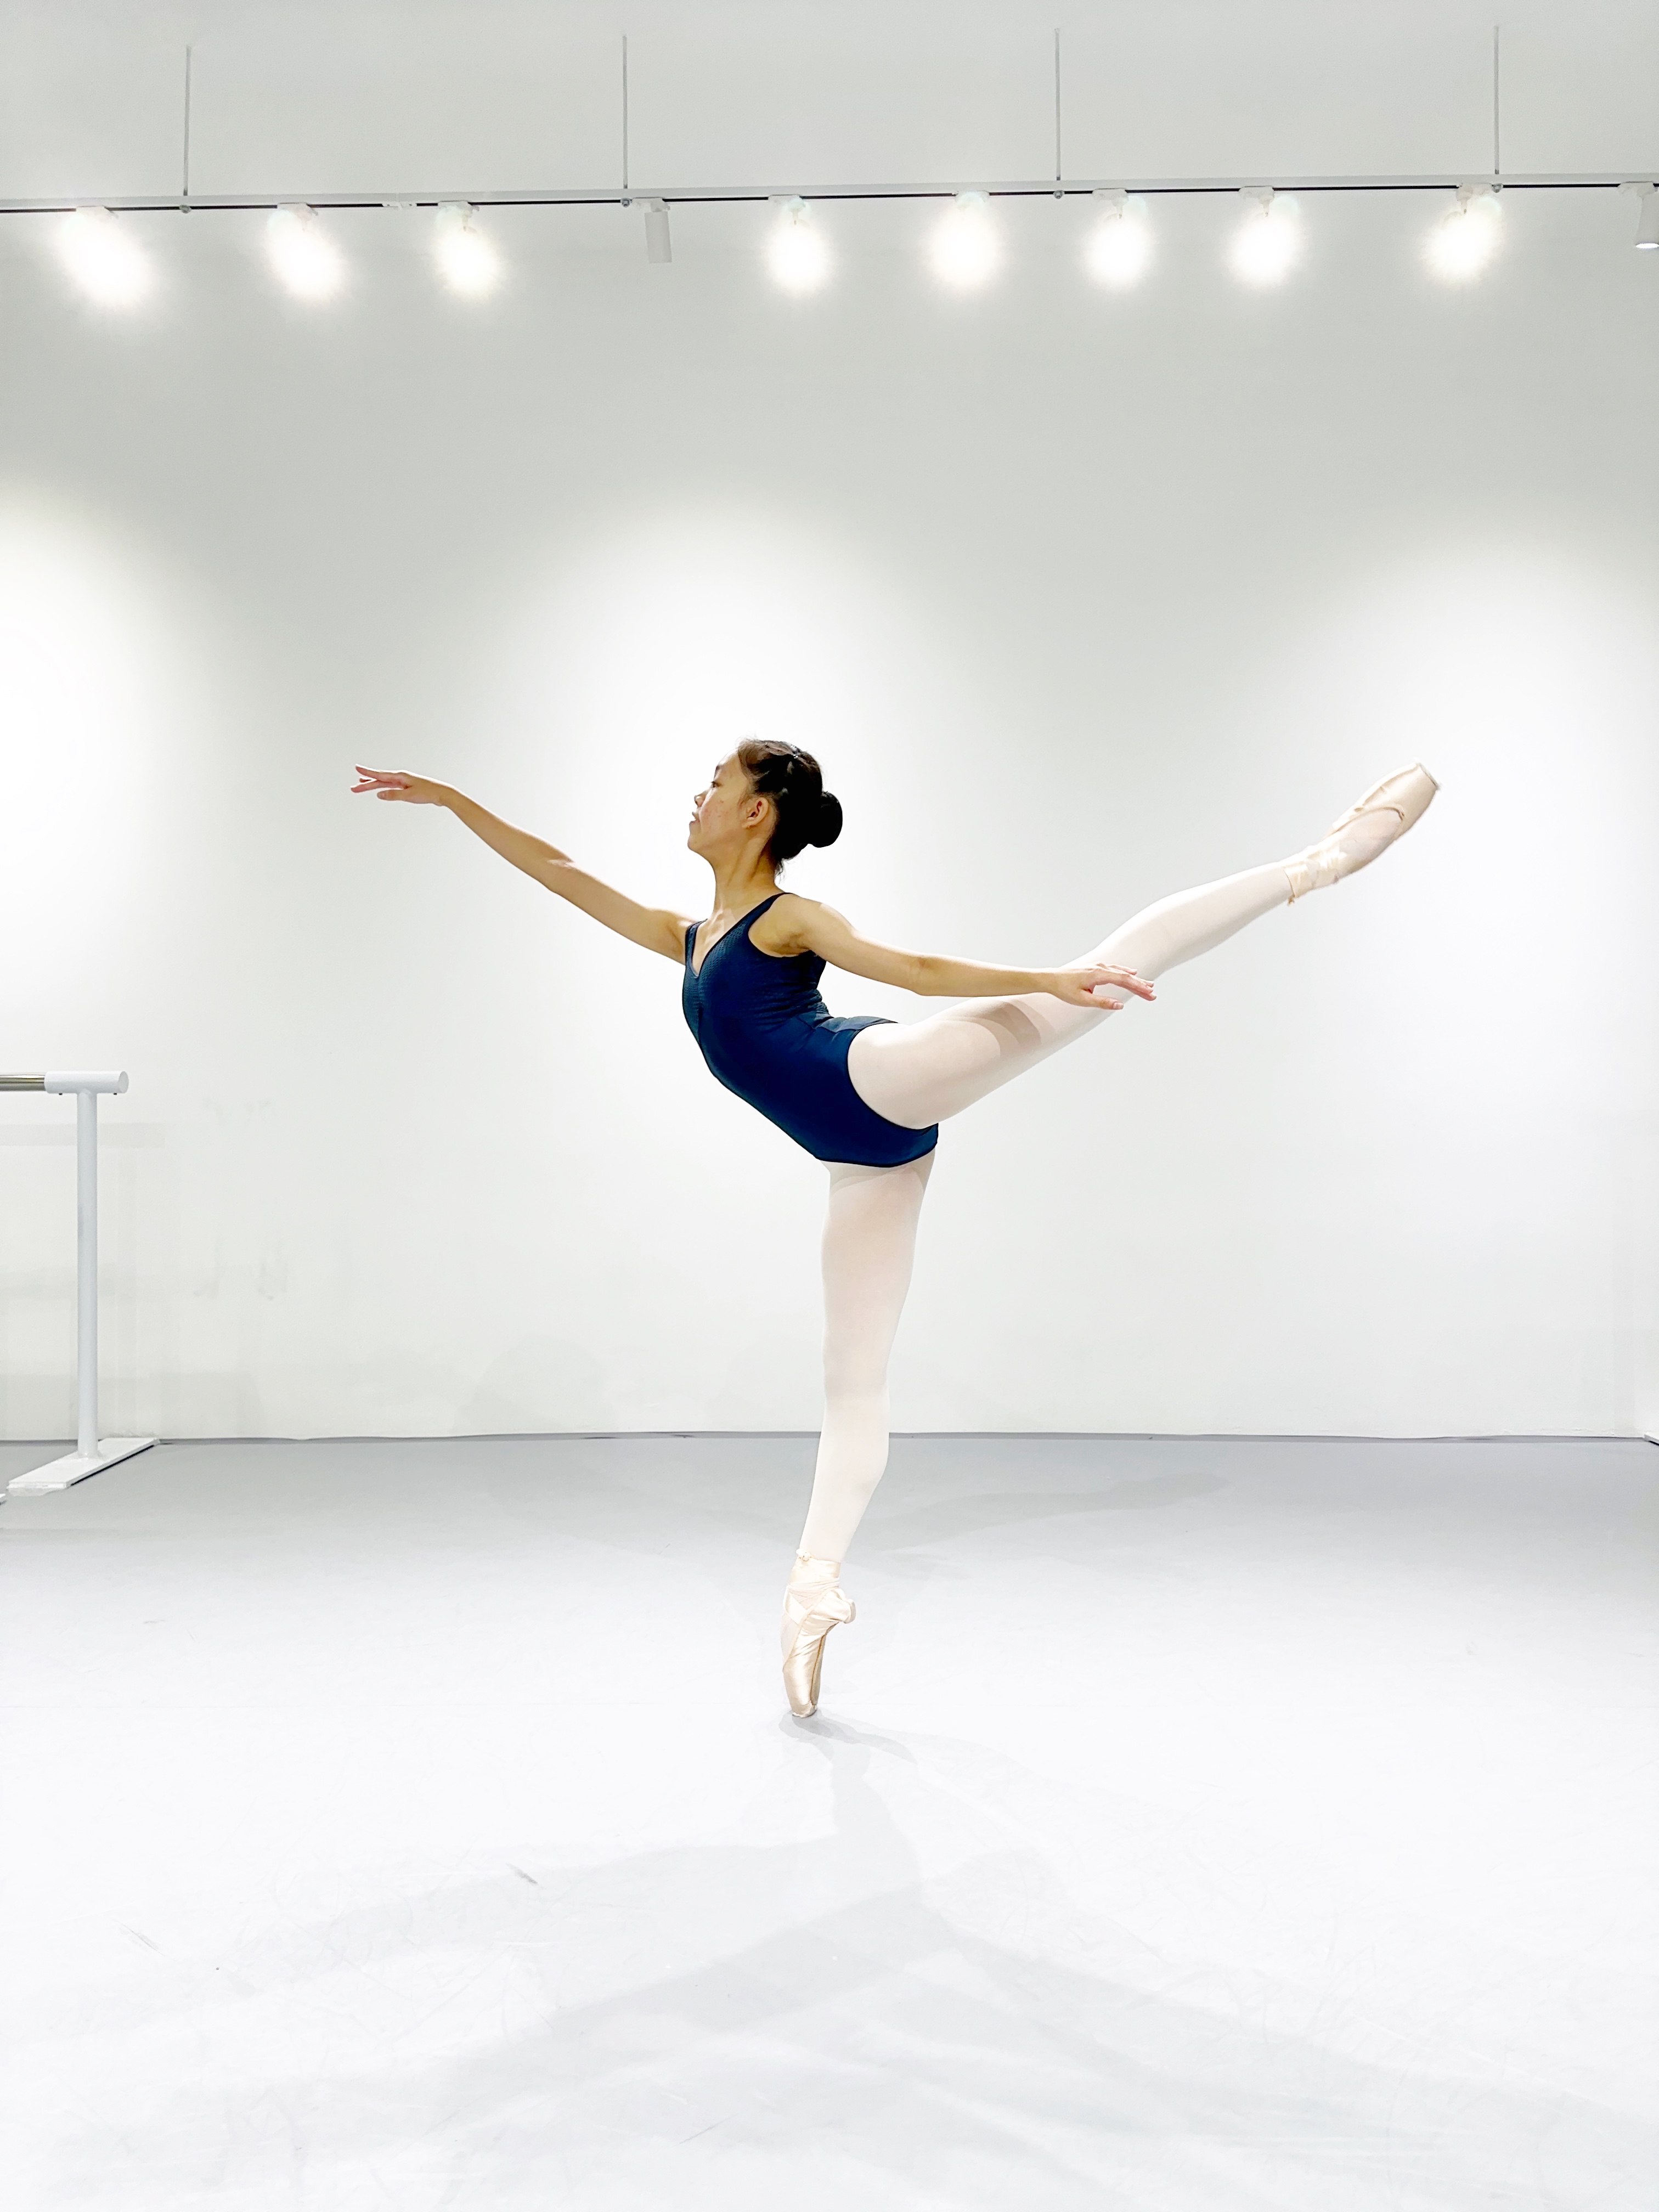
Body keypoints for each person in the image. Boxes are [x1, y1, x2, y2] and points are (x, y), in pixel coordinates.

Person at [352, 743, 1436, 1717]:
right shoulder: (689, 937)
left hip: (880, 1077)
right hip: (866, 1160)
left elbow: (910, 971)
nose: (698, 796)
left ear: (758, 813)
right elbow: (558, 871)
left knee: (1114, 959)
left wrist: (1044, 982)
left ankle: (1328, 859)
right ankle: (812, 1592)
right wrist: (455, 802)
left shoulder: (787, 920)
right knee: (852, 1384)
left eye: (715, 784)